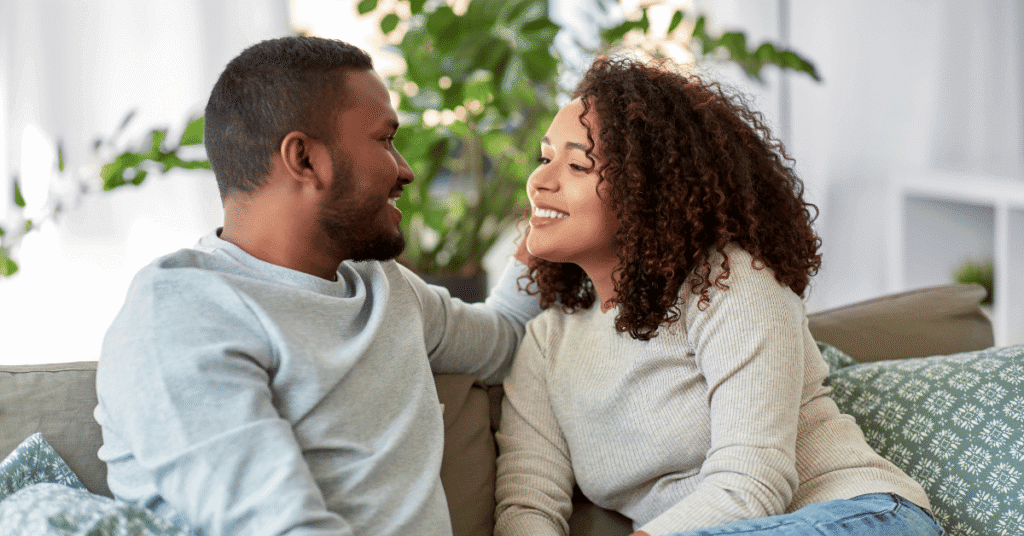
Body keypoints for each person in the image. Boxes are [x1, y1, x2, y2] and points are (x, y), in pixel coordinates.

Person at [93, 36, 540, 536]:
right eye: (385, 140)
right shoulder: (182, 313)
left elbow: (507, 339)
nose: (406, 170)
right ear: (304, 158)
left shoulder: (384, 288)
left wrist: (547, 222)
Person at [494, 56, 946, 536]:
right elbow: (527, 508)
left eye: (578, 165)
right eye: (545, 158)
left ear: (648, 190)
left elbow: (751, 486)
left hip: (860, 516)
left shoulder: (729, 282)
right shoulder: (546, 343)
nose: (539, 182)